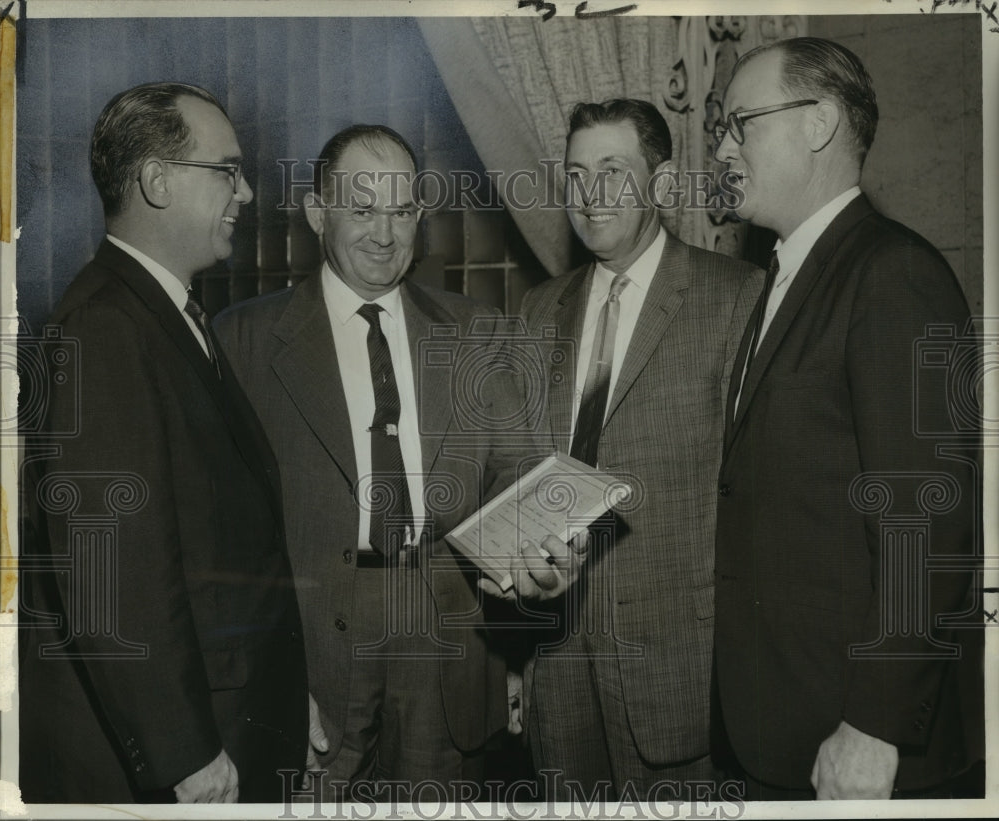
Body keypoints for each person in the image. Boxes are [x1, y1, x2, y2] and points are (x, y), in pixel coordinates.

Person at [214, 124, 578, 801]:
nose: (385, 233)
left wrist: (543, 566)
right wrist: (267, 680)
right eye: (362, 208)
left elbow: (521, 480)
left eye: (403, 209)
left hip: (449, 650)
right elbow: (221, 541)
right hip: (312, 653)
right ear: (319, 212)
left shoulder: (475, 331)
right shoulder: (242, 341)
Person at [18, 82, 308, 803]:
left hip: (226, 723)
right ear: (154, 180)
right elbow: (112, 576)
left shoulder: (162, 314)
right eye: (227, 170)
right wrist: (187, 755)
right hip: (193, 756)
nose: (244, 192)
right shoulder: (106, 328)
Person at [712, 37, 982, 800]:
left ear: (820, 122)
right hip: (782, 723)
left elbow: (926, 520)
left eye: (741, 124)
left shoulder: (893, 274)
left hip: (856, 740)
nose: (723, 148)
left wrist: (877, 721)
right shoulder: (786, 277)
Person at [519, 99, 761, 800]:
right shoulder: (539, 309)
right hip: (557, 668)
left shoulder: (735, 296)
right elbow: (524, 467)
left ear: (660, 183)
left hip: (681, 669)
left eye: (613, 171)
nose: (590, 194)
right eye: (576, 174)